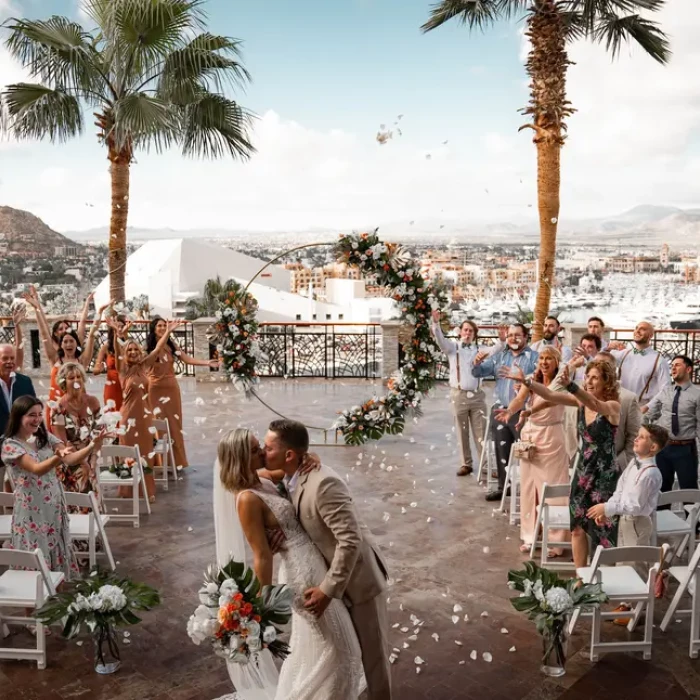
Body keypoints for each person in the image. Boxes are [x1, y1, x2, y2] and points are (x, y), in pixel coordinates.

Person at [218, 426, 368, 700]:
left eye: (260, 446)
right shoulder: (246, 499)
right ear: (240, 458)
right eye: (255, 449)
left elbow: (294, 465)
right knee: (345, 650)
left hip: (315, 562)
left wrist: (310, 457)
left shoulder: (262, 477)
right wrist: (261, 609)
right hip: (302, 576)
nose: (262, 451)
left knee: (320, 648)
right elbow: (261, 556)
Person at [265, 419, 390, 700]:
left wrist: (327, 589)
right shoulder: (289, 476)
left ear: (289, 455)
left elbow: (350, 541)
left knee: (374, 660)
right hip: (328, 571)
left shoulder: (324, 483)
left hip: (360, 581)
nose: (263, 452)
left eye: (268, 447)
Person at [504, 360, 620, 569]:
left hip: (605, 474)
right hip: (584, 470)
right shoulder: (580, 402)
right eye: (588, 376)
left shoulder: (613, 406)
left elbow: (597, 405)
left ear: (606, 381)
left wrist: (572, 387)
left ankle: (604, 577)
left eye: (595, 377)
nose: (590, 381)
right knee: (576, 527)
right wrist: (527, 382)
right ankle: (580, 576)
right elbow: (549, 396)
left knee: (603, 530)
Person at [1, 395, 108, 579]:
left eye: (40, 414)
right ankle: (34, 607)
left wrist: (92, 445)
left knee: (56, 557)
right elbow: (36, 469)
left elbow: (70, 459)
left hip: (54, 506)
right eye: (31, 415)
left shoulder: (44, 436)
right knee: (34, 562)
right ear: (18, 416)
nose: (37, 419)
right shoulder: (10, 445)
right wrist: (58, 457)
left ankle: (56, 604)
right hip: (31, 512)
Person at [586, 423, 668, 624]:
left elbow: (634, 504)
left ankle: (636, 609)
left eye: (642, 437)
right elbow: (620, 491)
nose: (636, 439)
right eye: (637, 435)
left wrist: (607, 508)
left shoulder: (650, 473)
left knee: (636, 563)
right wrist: (610, 509)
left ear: (653, 447)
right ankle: (626, 603)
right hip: (625, 519)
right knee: (624, 561)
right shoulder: (634, 463)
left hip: (638, 523)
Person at [495, 346, 570, 556]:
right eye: (542, 358)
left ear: (557, 362)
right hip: (529, 435)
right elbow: (520, 399)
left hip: (552, 437)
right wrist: (510, 410)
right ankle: (530, 536)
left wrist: (527, 384)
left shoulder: (562, 382)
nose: (544, 362)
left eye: (549, 359)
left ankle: (555, 541)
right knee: (528, 488)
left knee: (552, 489)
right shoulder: (530, 378)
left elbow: (549, 400)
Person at [109, 319, 183, 502]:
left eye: (135, 349)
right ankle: (128, 490)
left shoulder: (144, 366)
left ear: (140, 352)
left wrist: (168, 332)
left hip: (145, 418)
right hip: (128, 417)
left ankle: (148, 490)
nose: (133, 352)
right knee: (129, 453)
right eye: (129, 350)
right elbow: (117, 351)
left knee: (146, 453)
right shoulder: (123, 371)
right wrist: (118, 335)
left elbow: (157, 349)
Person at [472, 323, 539, 502]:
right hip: (501, 410)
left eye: (518, 335)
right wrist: (476, 363)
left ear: (526, 337)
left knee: (527, 452)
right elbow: (479, 372)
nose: (513, 338)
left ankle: (529, 490)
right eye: (510, 335)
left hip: (523, 412)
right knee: (501, 450)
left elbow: (543, 381)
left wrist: (526, 382)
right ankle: (504, 487)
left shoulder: (535, 358)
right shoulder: (500, 357)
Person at [23, 289, 105, 429]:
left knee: (80, 439)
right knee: (59, 445)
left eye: (71, 341)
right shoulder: (54, 358)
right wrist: (37, 308)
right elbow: (43, 332)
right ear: (60, 343)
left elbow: (90, 333)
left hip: (79, 407)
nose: (68, 344)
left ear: (76, 343)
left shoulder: (82, 360)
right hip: (57, 406)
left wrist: (98, 310)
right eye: (65, 341)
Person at [146, 316, 219, 470]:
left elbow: (186, 359)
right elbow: (157, 350)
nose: (162, 328)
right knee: (157, 423)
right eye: (159, 326)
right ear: (153, 329)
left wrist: (207, 362)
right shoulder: (149, 347)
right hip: (154, 389)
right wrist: (168, 332)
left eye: (164, 325)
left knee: (174, 424)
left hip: (171, 388)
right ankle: (159, 463)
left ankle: (176, 462)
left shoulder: (171, 345)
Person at [430, 310, 490, 476]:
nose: (468, 333)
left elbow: (496, 350)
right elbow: (440, 341)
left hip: (477, 396)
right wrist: (435, 323)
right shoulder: (453, 348)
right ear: (460, 332)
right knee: (462, 431)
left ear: (475, 334)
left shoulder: (480, 349)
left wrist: (501, 340)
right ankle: (466, 463)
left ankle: (485, 465)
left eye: (471, 331)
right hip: (459, 394)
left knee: (481, 432)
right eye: (465, 330)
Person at [645, 355, 700, 492]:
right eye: (672, 365)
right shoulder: (665, 391)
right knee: (662, 490)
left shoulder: (697, 394)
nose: (673, 368)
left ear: (688, 369)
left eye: (677, 365)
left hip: (685, 449)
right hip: (663, 448)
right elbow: (650, 414)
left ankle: (692, 514)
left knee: (689, 491)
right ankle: (663, 514)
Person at [50, 362, 103, 502]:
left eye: (78, 376)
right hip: (71, 461)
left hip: (91, 456)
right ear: (63, 382)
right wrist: (83, 461)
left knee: (94, 504)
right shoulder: (58, 409)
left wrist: (93, 459)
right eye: (71, 378)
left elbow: (99, 434)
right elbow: (63, 446)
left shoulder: (93, 402)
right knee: (81, 499)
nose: (76, 380)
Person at [608, 321, 670, 410]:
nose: (637, 331)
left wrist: (647, 407)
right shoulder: (623, 354)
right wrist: (608, 347)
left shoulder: (659, 360)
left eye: (643, 329)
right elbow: (599, 360)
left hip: (641, 410)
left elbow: (666, 389)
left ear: (651, 335)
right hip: (619, 407)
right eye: (636, 328)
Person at [596, 351, 642, 471]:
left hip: (615, 464)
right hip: (585, 465)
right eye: (595, 364)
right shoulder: (583, 395)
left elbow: (634, 434)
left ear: (613, 370)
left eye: (604, 365)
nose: (598, 369)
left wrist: (623, 462)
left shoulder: (628, 398)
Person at [94, 313, 130, 412]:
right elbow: (96, 368)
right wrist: (98, 369)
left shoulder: (130, 346)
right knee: (112, 416)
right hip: (112, 387)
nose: (119, 329)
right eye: (117, 327)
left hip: (127, 385)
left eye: (122, 327)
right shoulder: (106, 347)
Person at [0, 343, 36, 436]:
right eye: (5, 358)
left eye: (12, 358)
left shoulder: (25, 382)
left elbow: (34, 410)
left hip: (22, 439)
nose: (9, 361)